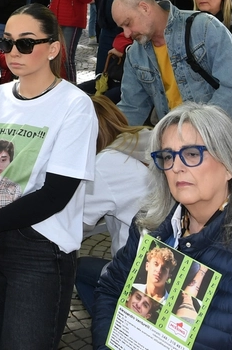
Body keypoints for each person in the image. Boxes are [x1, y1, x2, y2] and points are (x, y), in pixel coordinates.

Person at [92, 103, 232, 350]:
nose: (177, 167)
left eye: (192, 154)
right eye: (168, 156)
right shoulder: (150, 224)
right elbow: (111, 289)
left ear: (231, 165)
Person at [0, 5, 97, 350]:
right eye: (7, 44)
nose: (13, 53)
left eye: (25, 43)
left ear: (52, 48)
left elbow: (54, 196)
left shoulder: (75, 105)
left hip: (39, 251)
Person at [111, 0, 232, 125]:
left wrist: (200, 126)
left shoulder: (204, 27)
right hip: (174, 141)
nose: (126, 34)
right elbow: (132, 107)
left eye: (128, 24)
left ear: (144, 7)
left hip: (219, 135)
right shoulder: (134, 54)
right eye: (122, 28)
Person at [75, 96, 150, 337]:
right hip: (166, 264)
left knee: (77, 268)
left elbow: (75, 227)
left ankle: (113, 332)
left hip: (140, 274)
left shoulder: (104, 164)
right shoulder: (138, 143)